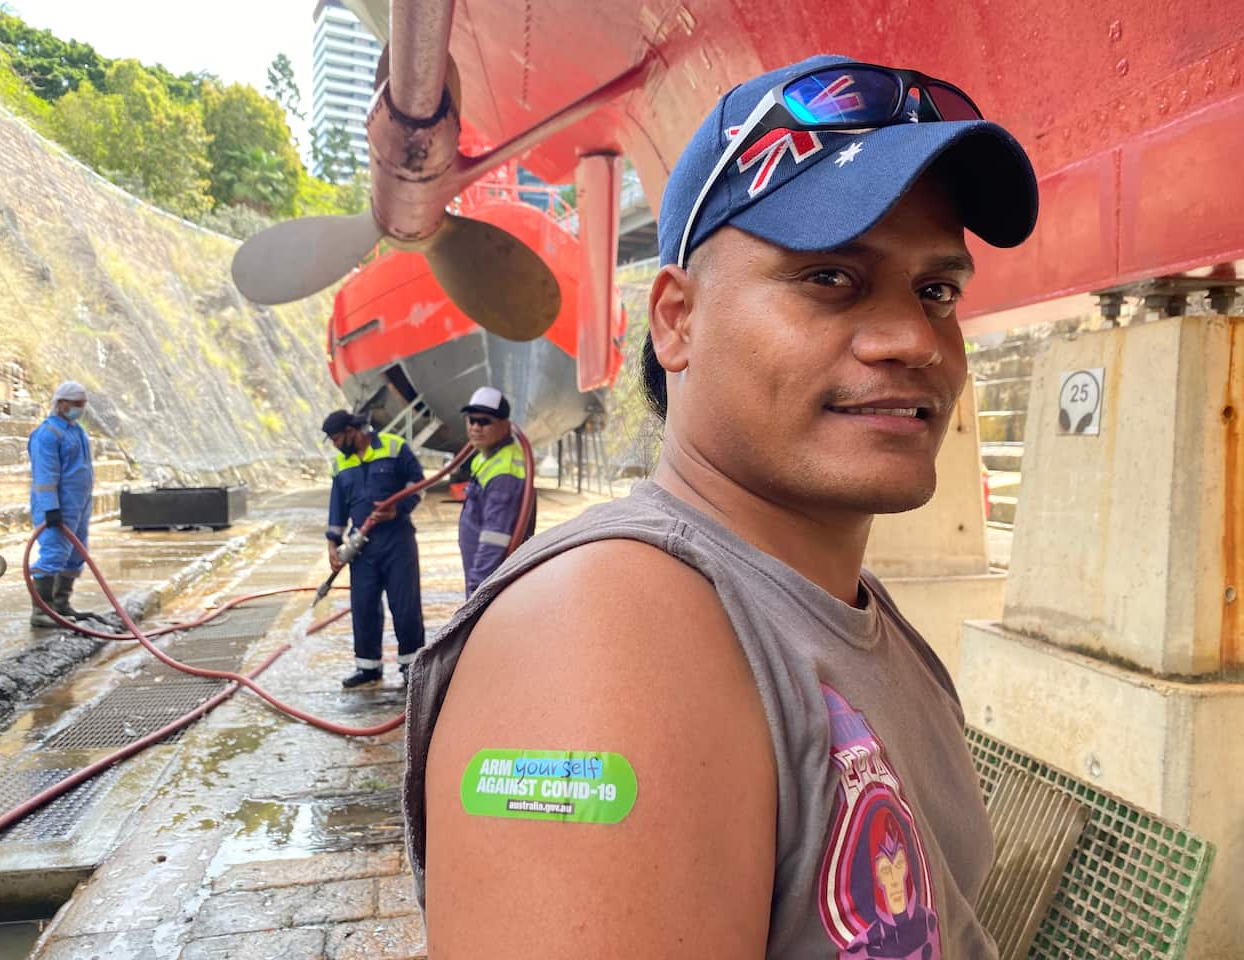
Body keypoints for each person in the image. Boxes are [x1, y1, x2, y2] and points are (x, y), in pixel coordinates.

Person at [404, 54, 1038, 957]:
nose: (915, 340)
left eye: (937, 291)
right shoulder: (602, 638)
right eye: (830, 278)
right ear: (677, 320)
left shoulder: (847, 613)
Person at [322, 409, 427, 688]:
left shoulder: (394, 447)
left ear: (351, 431)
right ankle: (368, 667)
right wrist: (333, 543)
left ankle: (412, 666)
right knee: (364, 606)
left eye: (336, 438)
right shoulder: (341, 464)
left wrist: (398, 508)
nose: (335, 445)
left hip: (397, 542)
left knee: (405, 605)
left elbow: (418, 483)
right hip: (363, 548)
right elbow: (337, 507)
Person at [28, 381, 96, 628]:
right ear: (62, 403)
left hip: (79, 505)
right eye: (76, 404)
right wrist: (51, 508)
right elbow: (45, 474)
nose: (80, 409)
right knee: (54, 553)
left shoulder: (76, 430)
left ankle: (61, 604)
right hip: (59, 506)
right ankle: (41, 610)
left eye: (83, 404)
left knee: (76, 554)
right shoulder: (47, 434)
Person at [457, 387, 535, 597]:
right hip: (486, 578)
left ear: (504, 425)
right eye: (471, 420)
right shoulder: (484, 457)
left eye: (484, 421)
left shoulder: (505, 472)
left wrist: (477, 591)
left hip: (492, 583)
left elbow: (495, 538)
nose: (475, 427)